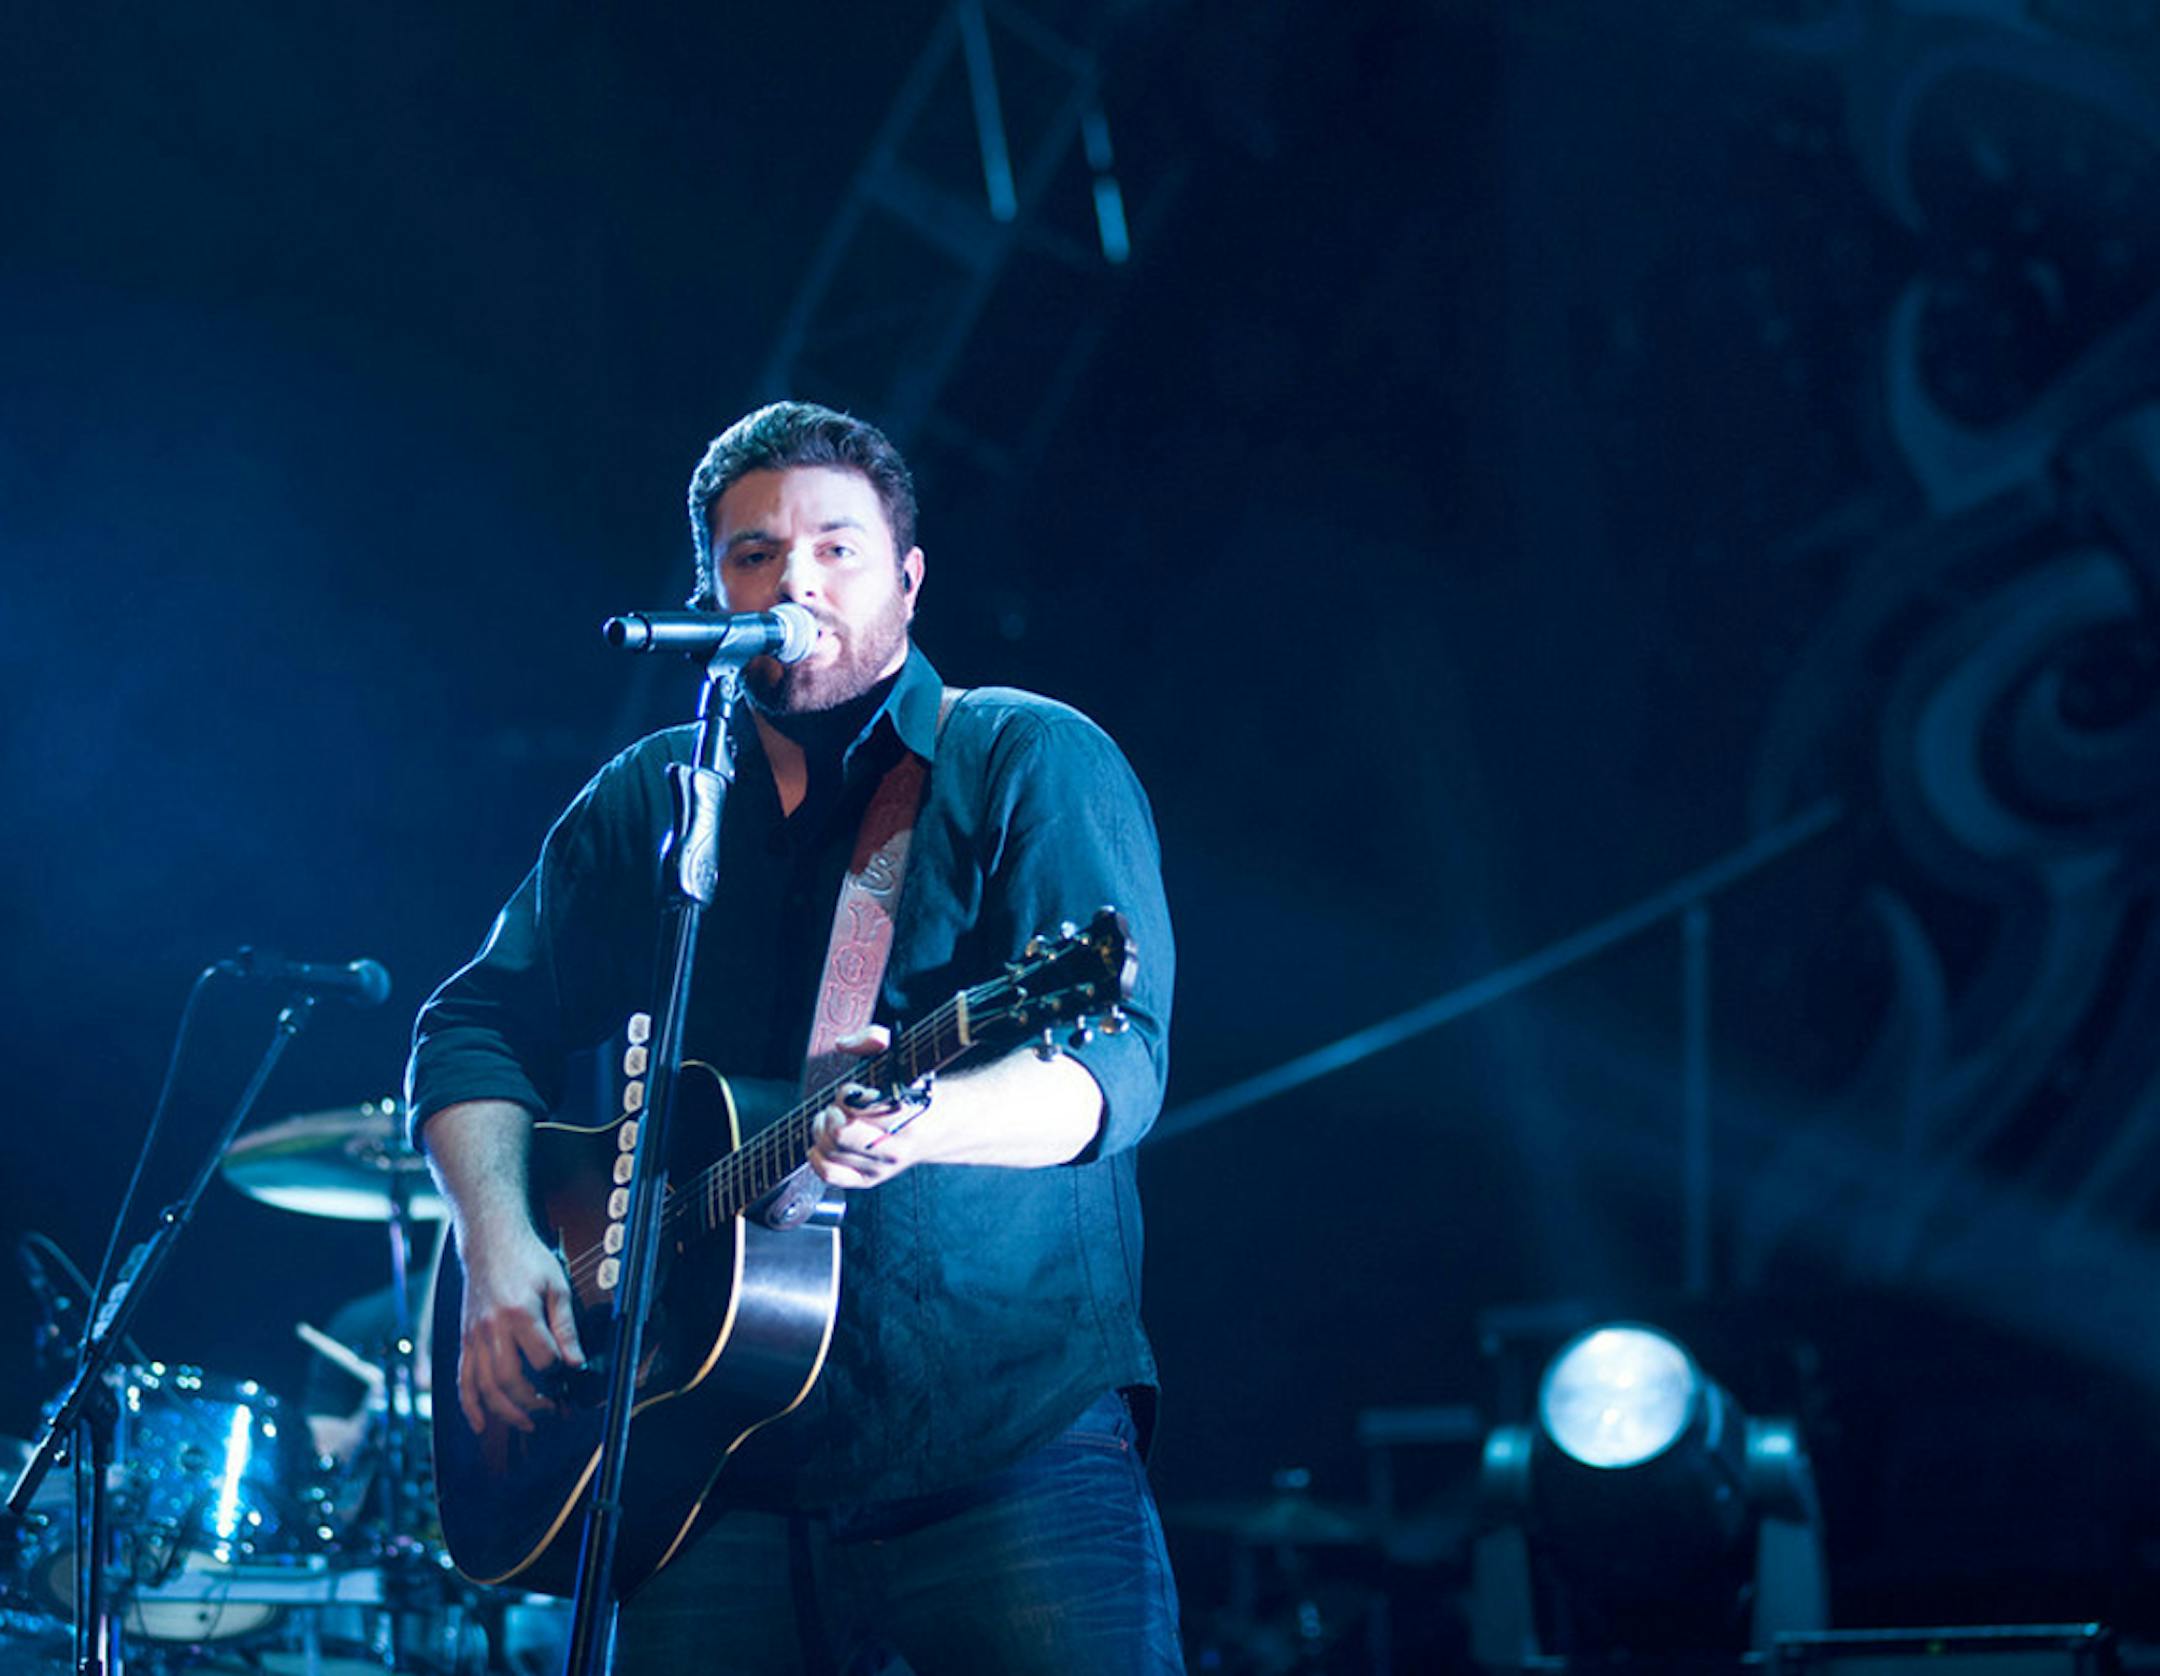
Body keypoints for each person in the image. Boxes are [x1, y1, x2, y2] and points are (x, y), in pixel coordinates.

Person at [406, 401, 1182, 1673]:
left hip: (999, 1449)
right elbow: (476, 1022)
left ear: (910, 577)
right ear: (714, 585)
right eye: (754, 554)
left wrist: (935, 1119)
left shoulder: (1026, 756)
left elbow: (1120, 1066)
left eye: (835, 546)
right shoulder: (654, 797)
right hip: (708, 1474)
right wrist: (497, 1242)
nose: (794, 577)